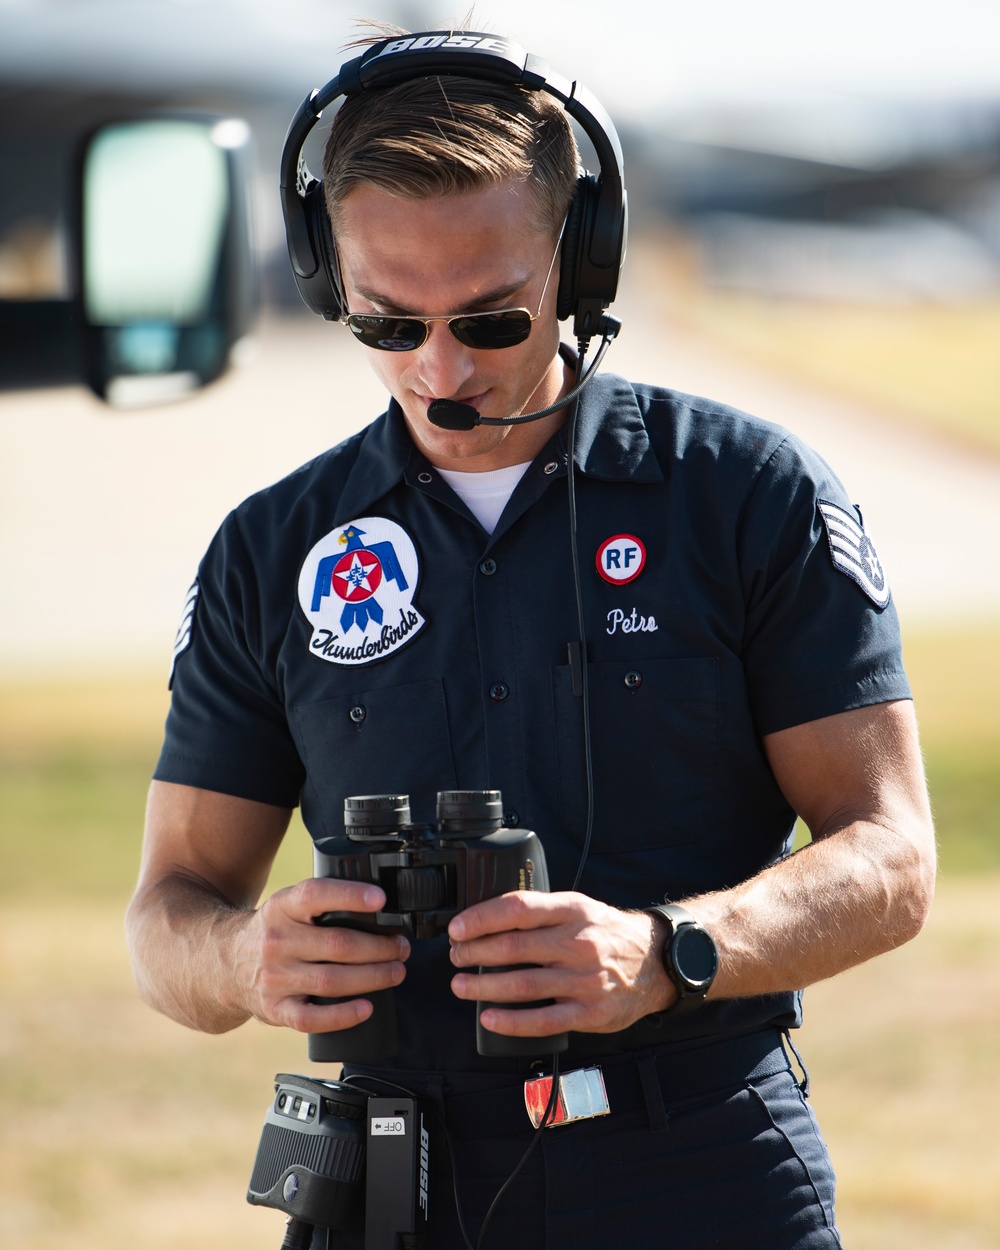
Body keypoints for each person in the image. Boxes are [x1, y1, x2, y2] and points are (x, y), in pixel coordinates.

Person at [126, 26, 936, 1250]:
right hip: (387, 1182)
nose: (440, 368)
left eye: (490, 320)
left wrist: (672, 951)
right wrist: (243, 959)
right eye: (386, 324)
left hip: (701, 1162)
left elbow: (890, 856)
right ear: (323, 277)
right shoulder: (270, 547)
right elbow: (164, 917)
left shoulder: (744, 492)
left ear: (582, 259)